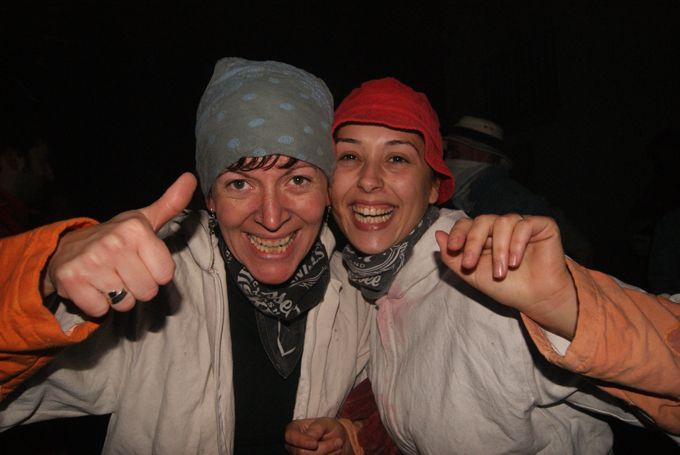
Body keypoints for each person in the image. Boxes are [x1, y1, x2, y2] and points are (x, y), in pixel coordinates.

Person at [287, 78, 679, 454]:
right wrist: (353, 439)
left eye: (397, 158)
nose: (369, 180)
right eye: (350, 156)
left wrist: (570, 311)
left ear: (434, 187)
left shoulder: (493, 279)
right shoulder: (368, 285)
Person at [0, 58, 372, 454]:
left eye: (297, 180)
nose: (271, 217)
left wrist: (352, 435)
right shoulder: (156, 286)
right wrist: (42, 274)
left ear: (327, 190)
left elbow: (394, 412)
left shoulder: (358, 296)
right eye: (240, 184)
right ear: (211, 198)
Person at [442, 116, 593, 266]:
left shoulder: (514, 203)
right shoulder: (474, 200)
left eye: (455, 152)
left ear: (482, 155)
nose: (447, 159)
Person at [0, 125, 54, 237]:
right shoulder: (7, 218)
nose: (50, 174)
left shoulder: (21, 217)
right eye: (42, 161)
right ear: (13, 158)